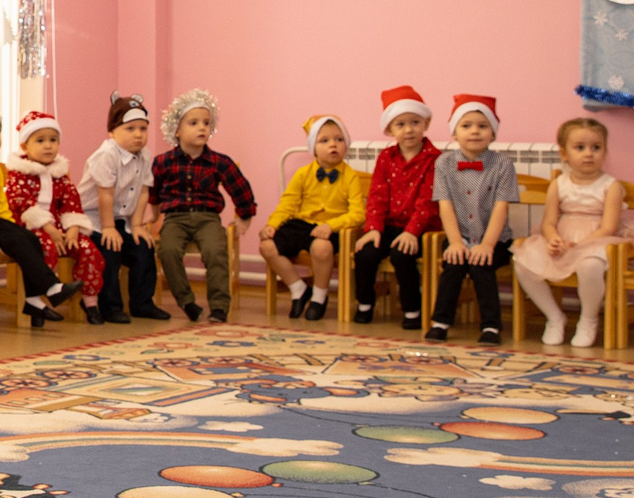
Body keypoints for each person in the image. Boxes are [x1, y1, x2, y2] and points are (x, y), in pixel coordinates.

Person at [514, 116, 634, 348]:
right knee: (522, 262)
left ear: (605, 151)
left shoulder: (611, 186)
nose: (588, 154)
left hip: (598, 240)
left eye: (596, 147)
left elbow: (608, 227)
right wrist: (554, 239)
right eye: (580, 148)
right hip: (563, 238)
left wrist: (578, 245)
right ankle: (554, 318)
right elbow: (548, 222)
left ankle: (588, 319)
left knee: (590, 265)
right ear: (564, 154)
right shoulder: (559, 184)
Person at [0, 101, 77, 327]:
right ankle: (52, 288)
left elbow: (1, 206)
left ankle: (32, 299)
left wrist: (12, 228)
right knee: (17, 238)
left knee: (28, 237)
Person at [152, 89, 254, 323]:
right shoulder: (163, 162)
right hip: (175, 219)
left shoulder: (219, 162)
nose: (202, 128)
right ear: (177, 130)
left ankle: (219, 307)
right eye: (194, 123)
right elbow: (152, 192)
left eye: (206, 123)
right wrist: (154, 214)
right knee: (167, 251)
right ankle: (187, 302)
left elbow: (240, 188)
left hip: (207, 218)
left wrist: (244, 216)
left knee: (215, 253)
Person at [431, 94, 515, 344]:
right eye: (466, 125)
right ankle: (440, 321)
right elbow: (445, 206)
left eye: (482, 125)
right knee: (453, 264)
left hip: (495, 239)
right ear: (454, 132)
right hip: (460, 235)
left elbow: (501, 208)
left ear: (493, 133)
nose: (475, 131)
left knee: (481, 265)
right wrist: (455, 242)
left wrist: (487, 245)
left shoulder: (502, 164)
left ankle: (491, 326)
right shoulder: (444, 163)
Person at [2, 111, 102, 323]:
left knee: (87, 249)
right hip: (33, 229)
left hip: (61, 229)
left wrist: (73, 228)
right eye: (40, 140)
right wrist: (49, 229)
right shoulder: (18, 175)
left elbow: (71, 203)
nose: (48, 146)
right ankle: (36, 300)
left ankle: (90, 301)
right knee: (43, 248)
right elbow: (20, 205)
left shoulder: (61, 176)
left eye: (53, 140)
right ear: (24, 146)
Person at [262, 115, 364, 322]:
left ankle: (319, 296)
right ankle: (298, 288)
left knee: (321, 248)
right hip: (302, 224)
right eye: (324, 141)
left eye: (339, 139)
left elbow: (358, 214)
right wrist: (272, 225)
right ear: (313, 148)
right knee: (267, 247)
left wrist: (331, 225)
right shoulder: (302, 174)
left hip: (332, 227)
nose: (333, 145)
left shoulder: (351, 176)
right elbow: (287, 204)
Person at [355, 86, 440, 328]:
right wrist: (373, 228)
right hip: (390, 225)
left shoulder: (435, 159)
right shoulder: (386, 157)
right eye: (400, 124)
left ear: (425, 124)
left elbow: (429, 201)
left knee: (402, 255)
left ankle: (412, 309)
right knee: (366, 252)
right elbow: (377, 196)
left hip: (423, 228)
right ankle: (364, 303)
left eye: (415, 122)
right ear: (390, 129)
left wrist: (412, 232)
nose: (409, 129)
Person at [82, 94, 167, 323]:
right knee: (110, 251)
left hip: (122, 220)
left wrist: (138, 225)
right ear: (112, 131)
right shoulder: (106, 155)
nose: (138, 134)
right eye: (130, 128)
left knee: (143, 248)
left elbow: (143, 192)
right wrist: (108, 228)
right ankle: (110, 306)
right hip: (94, 219)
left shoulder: (145, 156)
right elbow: (105, 195)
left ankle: (142, 303)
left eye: (143, 128)